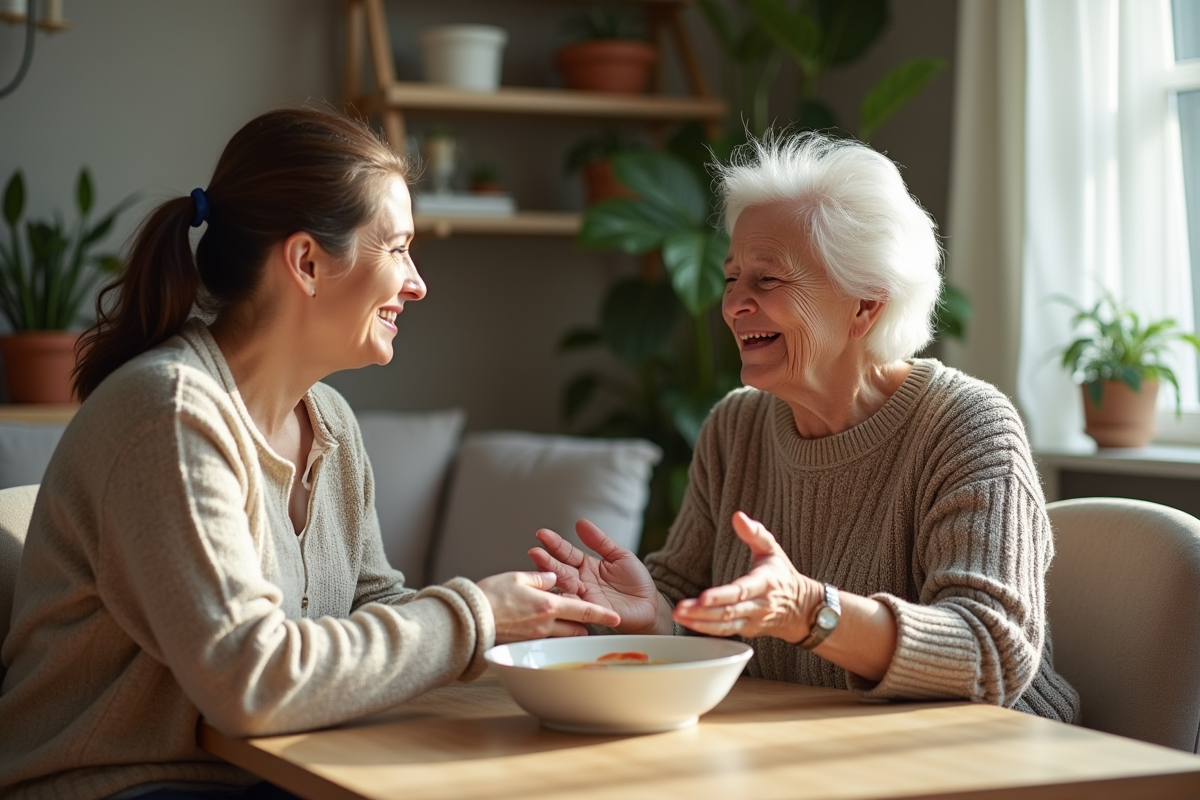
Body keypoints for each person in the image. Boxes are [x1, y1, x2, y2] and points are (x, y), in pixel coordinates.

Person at [0, 108, 619, 800]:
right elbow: (250, 683)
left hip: (258, 774)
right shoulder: (172, 416)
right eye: (398, 249)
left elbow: (372, 607)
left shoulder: (328, 420)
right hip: (115, 785)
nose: (416, 283)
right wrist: (474, 617)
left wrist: (530, 622)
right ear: (306, 261)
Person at [530, 131, 1080, 722]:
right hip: (814, 753)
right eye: (731, 277)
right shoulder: (735, 426)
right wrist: (652, 612)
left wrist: (808, 610)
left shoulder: (967, 427)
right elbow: (694, 611)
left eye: (767, 280)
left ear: (867, 303)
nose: (733, 304)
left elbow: (991, 654)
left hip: (994, 762)